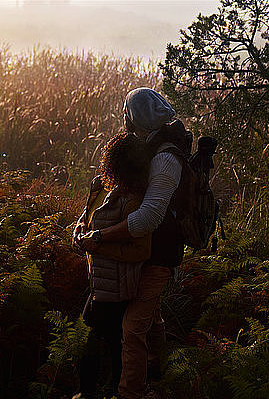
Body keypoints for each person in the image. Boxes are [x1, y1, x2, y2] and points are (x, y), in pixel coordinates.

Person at [76, 88, 184, 399]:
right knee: (151, 316)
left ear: (132, 118)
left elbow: (148, 218)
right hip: (139, 251)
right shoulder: (141, 148)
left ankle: (131, 391)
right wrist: (83, 223)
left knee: (132, 328)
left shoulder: (165, 157)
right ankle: (156, 366)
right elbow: (105, 192)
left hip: (159, 254)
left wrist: (99, 238)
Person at [73, 132, 152, 399]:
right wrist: (79, 230)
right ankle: (100, 391)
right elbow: (87, 218)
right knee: (103, 341)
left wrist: (98, 246)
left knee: (96, 341)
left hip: (117, 289)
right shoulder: (101, 187)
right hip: (98, 282)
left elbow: (142, 250)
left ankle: (91, 393)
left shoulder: (131, 201)